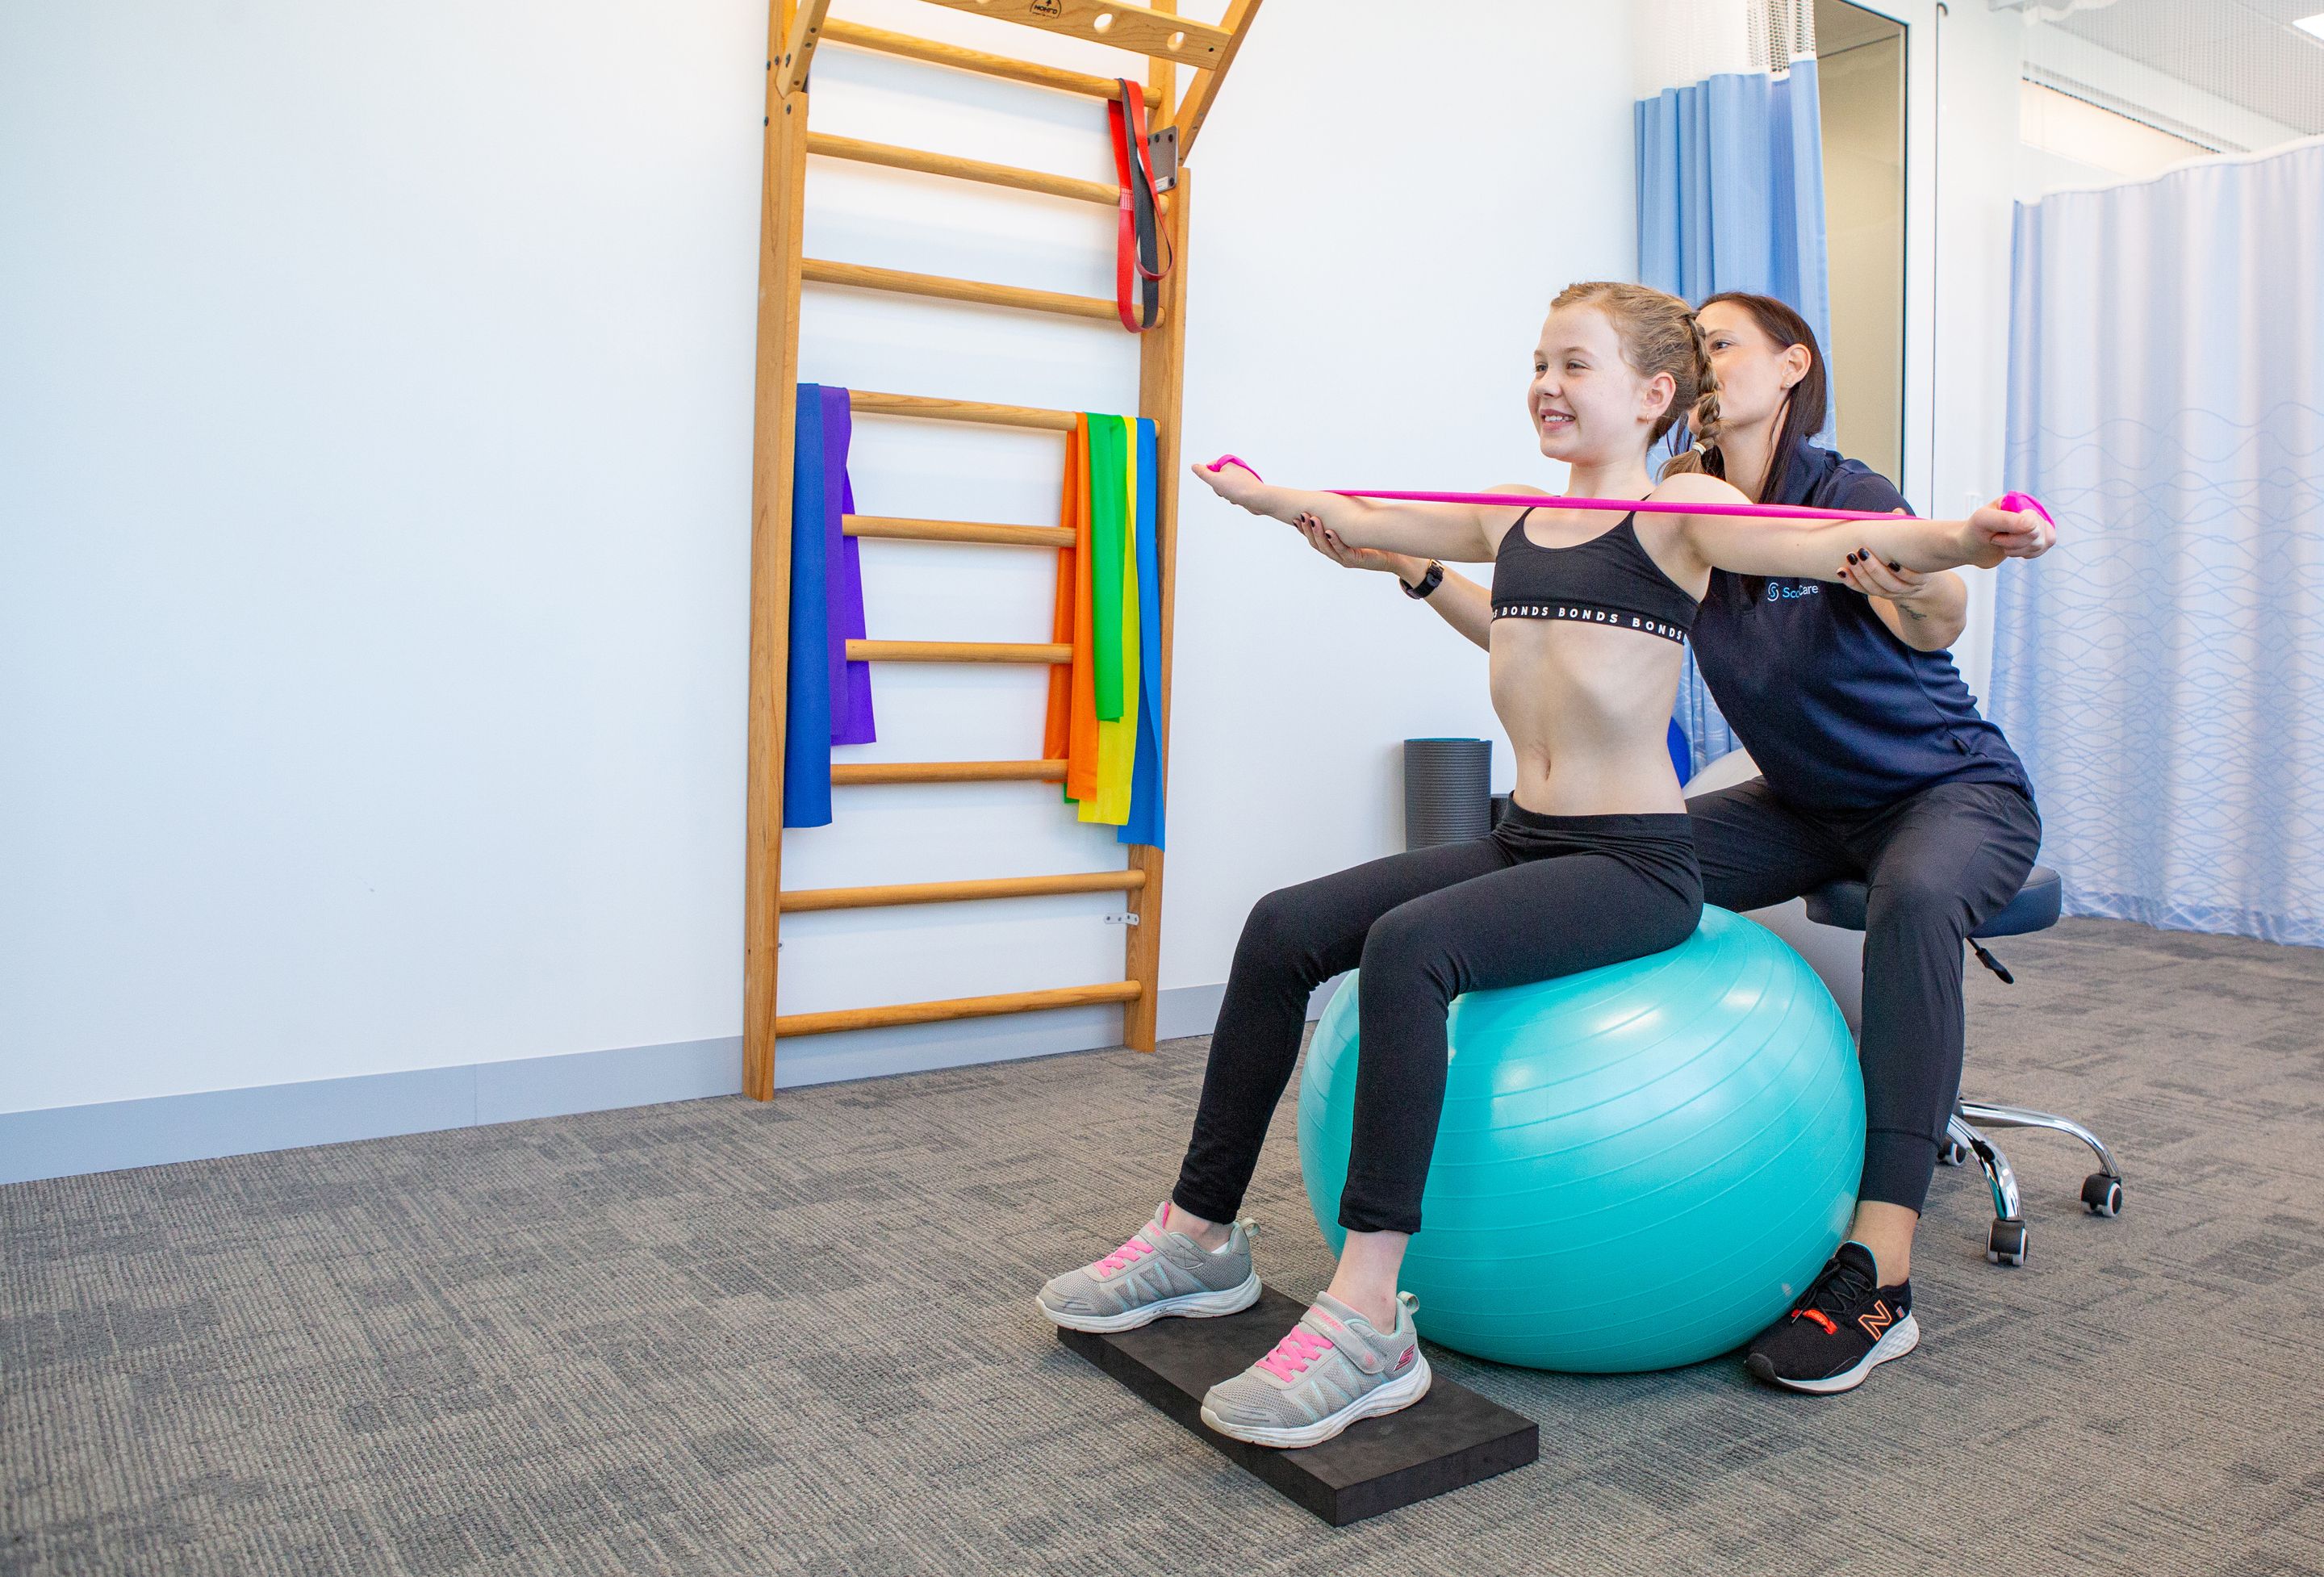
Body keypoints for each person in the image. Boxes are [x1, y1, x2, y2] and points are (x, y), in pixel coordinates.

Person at [1033, 281, 2054, 1445]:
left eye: (1576, 365)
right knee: (1281, 924)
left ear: (1653, 395)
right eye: (1538, 363)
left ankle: (1369, 1315)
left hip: (1635, 859)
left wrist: (1966, 538)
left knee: (1413, 949)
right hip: (1534, 831)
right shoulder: (1514, 513)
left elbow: (1838, 543)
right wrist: (1270, 498)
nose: (1547, 385)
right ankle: (1198, 1232)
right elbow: (1374, 513)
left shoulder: (1685, 513)